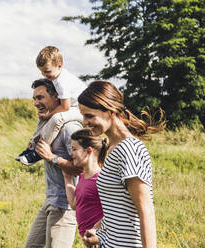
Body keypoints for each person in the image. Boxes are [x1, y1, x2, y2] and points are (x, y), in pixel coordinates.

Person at [77, 80, 165, 248]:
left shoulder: (129, 149)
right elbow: (120, 205)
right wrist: (100, 231)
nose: (84, 122)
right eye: (83, 116)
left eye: (89, 115)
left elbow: (145, 211)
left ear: (110, 111)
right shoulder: (112, 147)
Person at [25, 78, 83, 248]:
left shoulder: (70, 128)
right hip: (51, 200)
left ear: (57, 97)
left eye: (40, 98)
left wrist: (52, 158)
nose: (36, 103)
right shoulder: (47, 125)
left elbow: (82, 168)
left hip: (65, 205)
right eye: (34, 99)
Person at [16, 46, 86, 165]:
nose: (44, 75)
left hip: (82, 110)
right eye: (42, 72)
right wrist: (46, 115)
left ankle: (39, 151)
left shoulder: (61, 81)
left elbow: (65, 107)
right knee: (44, 115)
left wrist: (49, 115)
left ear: (59, 65)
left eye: (47, 71)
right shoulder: (55, 76)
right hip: (71, 106)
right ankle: (32, 145)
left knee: (56, 117)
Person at [62, 129, 107, 239]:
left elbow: (114, 210)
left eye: (74, 149)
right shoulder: (83, 177)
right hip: (89, 239)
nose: (70, 153)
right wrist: (67, 179)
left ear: (88, 151)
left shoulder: (100, 179)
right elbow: (74, 204)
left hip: (101, 239)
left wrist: (96, 229)